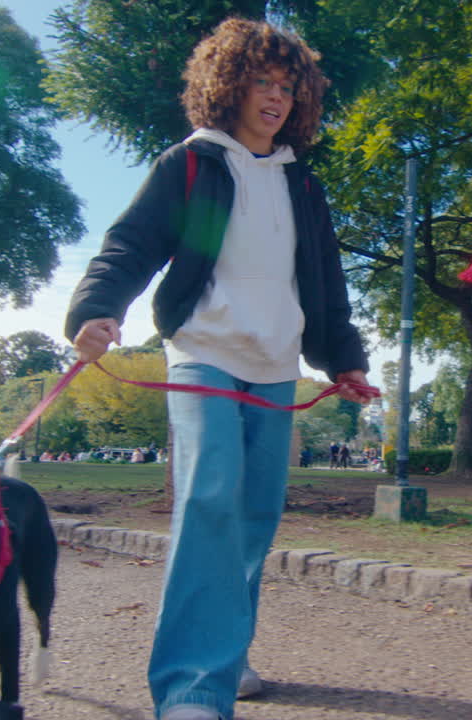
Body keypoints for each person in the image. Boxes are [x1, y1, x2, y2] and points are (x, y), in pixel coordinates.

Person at [64, 17, 370, 720]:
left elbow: (325, 282)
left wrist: (344, 361)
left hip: (275, 364)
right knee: (209, 501)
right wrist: (96, 310)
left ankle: (224, 653)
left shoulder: (301, 184)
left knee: (255, 517)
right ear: (227, 85)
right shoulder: (193, 166)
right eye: (262, 81)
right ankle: (193, 689)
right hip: (202, 354)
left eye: (288, 87)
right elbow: (130, 247)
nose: (276, 98)